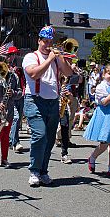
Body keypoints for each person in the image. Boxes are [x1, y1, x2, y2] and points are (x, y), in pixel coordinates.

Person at [22, 26, 73, 187]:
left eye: (50, 42)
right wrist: (50, 59)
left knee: (50, 139)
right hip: (35, 100)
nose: (48, 44)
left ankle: (43, 170)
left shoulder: (56, 57)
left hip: (53, 101)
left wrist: (61, 57)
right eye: (45, 41)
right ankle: (34, 170)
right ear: (39, 40)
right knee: (40, 135)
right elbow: (34, 74)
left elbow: (69, 73)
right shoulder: (31, 56)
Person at [6, 46, 25, 154]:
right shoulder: (5, 66)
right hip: (10, 96)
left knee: (17, 121)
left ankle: (10, 140)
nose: (13, 56)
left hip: (20, 95)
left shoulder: (20, 67)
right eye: (11, 54)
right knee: (16, 118)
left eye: (15, 54)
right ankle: (15, 142)